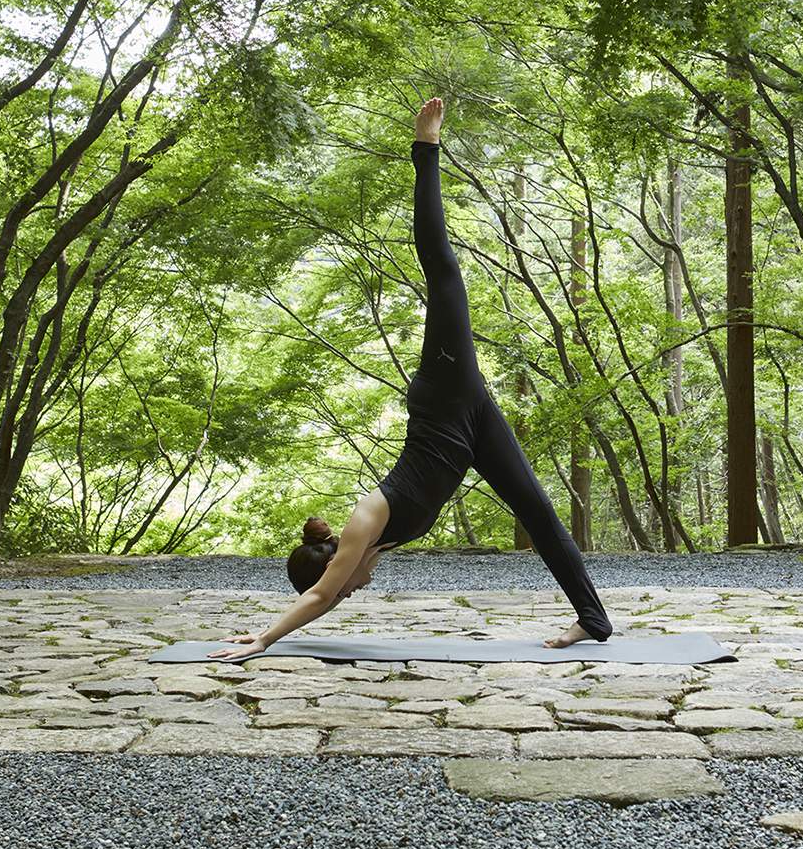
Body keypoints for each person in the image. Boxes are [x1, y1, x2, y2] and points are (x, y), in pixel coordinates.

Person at [211, 96, 612, 659]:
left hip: (445, 399)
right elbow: (329, 589)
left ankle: (426, 148)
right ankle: (593, 621)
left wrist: (265, 638)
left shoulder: (361, 529)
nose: (352, 594)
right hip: (468, 430)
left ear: (337, 568)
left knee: (444, 273)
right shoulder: (368, 549)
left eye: (344, 586)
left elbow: (323, 597)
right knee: (539, 512)